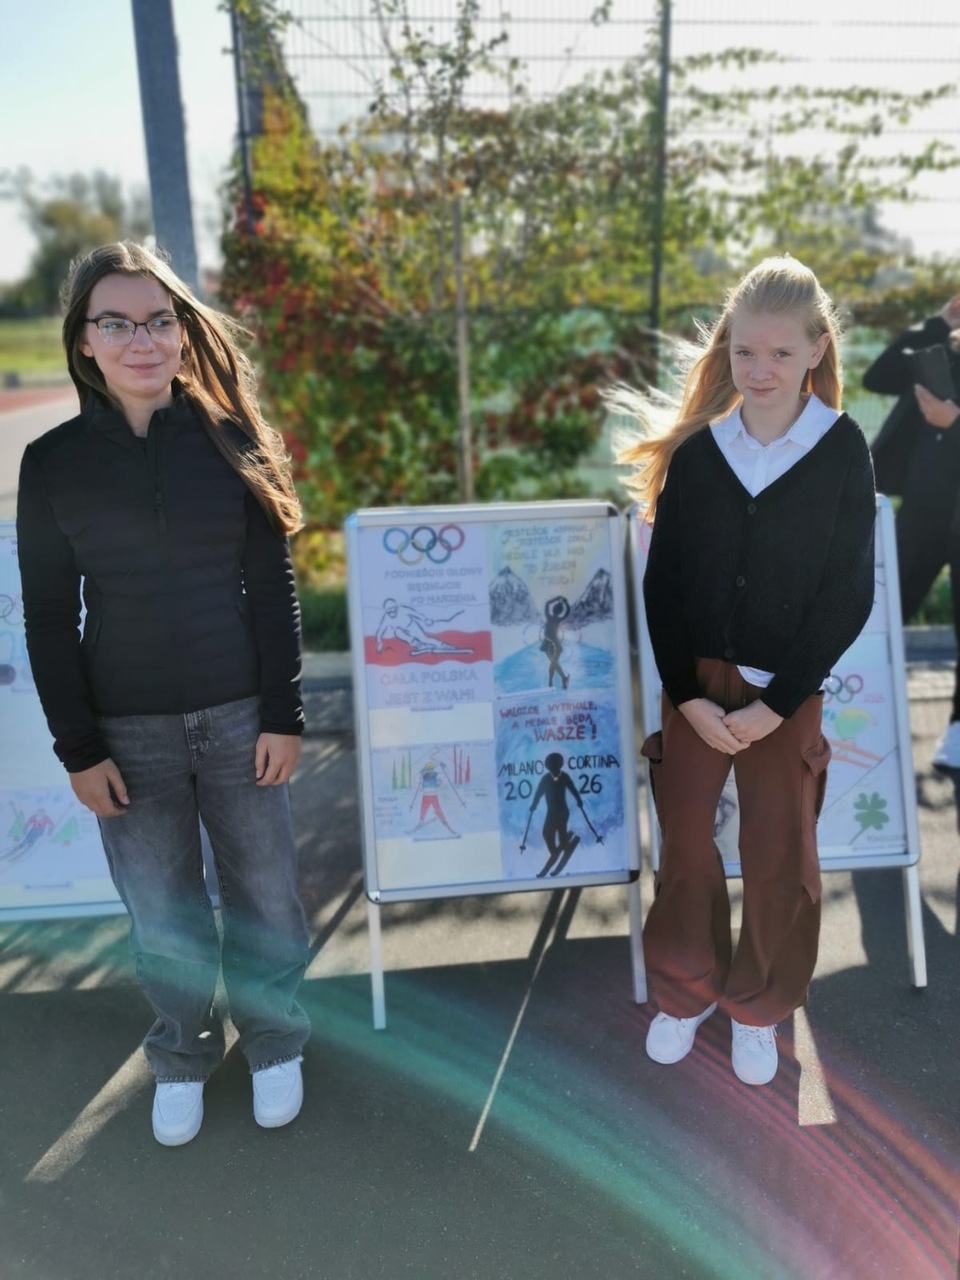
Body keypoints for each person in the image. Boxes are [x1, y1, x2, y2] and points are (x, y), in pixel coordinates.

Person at [16, 242, 312, 1146]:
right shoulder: (53, 462)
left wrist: (283, 715)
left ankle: (274, 1041)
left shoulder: (233, 441)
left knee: (266, 893)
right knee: (161, 908)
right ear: (86, 342)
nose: (141, 340)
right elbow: (47, 618)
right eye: (116, 323)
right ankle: (182, 1053)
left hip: (240, 719)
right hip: (126, 733)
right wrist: (79, 749)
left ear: (183, 332)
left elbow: (274, 589)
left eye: (158, 320)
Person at [612, 256, 876, 1086]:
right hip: (695, 692)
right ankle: (684, 995)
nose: (760, 371)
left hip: (784, 699)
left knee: (778, 855)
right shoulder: (699, 455)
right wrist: (686, 697)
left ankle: (760, 1008)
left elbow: (848, 594)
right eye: (745, 353)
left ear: (816, 350)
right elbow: (664, 585)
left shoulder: (842, 449)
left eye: (781, 354)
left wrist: (777, 704)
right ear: (726, 350)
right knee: (687, 848)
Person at [863, 295, 960, 768]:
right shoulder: (942, 352)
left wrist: (954, 422)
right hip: (922, 511)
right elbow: (877, 377)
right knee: (880, 612)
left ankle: (957, 734)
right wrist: (937, 324)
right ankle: (859, 711)